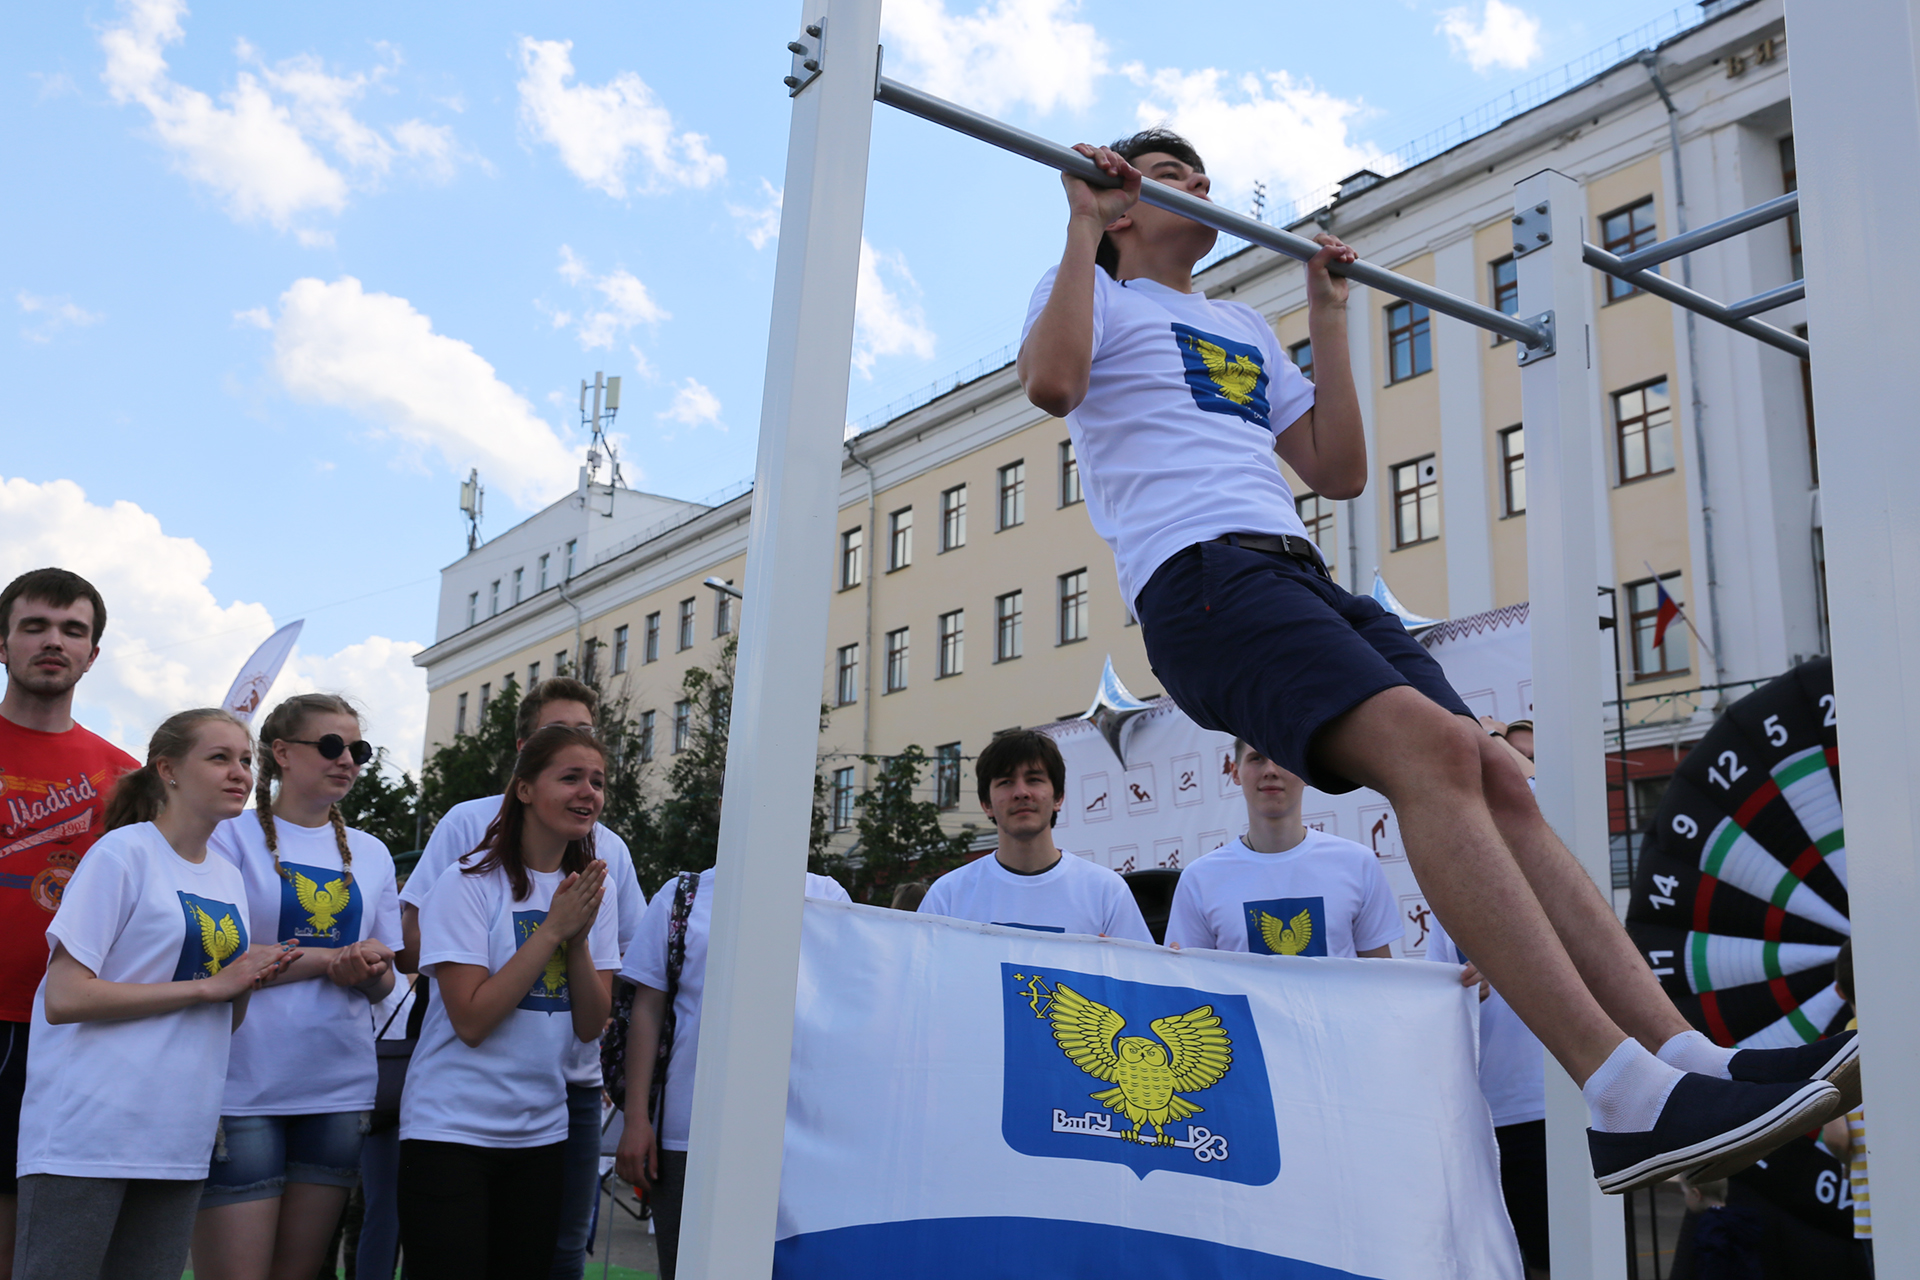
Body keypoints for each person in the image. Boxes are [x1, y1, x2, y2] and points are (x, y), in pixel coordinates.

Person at [1017, 128, 1851, 1192]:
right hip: (1200, 580)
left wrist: (1327, 315)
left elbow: (1340, 467)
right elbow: (1051, 385)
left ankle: (1688, 1057)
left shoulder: (1236, 322)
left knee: (1495, 764)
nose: (1207, 192)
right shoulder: (1094, 292)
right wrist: (1081, 223)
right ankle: (1617, 1091)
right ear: (1124, 204)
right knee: (1434, 759)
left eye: (1208, 177)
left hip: (1300, 570)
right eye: (1177, 179)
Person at [11, 709, 286, 1280]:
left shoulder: (227, 876)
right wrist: (210, 985)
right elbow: (64, 998)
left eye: (246, 760)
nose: (240, 772)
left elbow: (221, 1018)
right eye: (219, 758)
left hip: (178, 1136)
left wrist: (248, 979)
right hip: (87, 1136)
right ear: (168, 770)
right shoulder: (122, 854)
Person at [396, 676, 643, 1280]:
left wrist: (578, 940)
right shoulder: (466, 881)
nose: (588, 793)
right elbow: (473, 1020)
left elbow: (590, 1024)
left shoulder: (594, 888)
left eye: (598, 782)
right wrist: (554, 932)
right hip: (452, 1128)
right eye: (570, 778)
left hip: (542, 1133)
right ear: (525, 788)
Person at [189, 694, 402, 1280]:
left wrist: (371, 970)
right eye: (331, 746)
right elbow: (222, 955)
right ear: (280, 753)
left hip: (337, 1088)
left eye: (358, 750)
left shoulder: (374, 853)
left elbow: (386, 984)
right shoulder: (228, 837)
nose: (347, 761)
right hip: (241, 1083)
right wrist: (336, 958)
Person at [613, 861, 850, 1280]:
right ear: (727, 799)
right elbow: (645, 1011)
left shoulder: (826, 897)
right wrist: (636, 1119)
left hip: (794, 1135)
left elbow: (845, 1008)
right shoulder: (682, 896)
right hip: (688, 1133)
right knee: (689, 1268)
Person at [0, 568, 140, 1276]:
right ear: (3, 644)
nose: (53, 642)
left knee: (34, 1234)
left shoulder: (127, 778)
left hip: (66, 1032)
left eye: (72, 630)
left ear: (93, 653)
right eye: (35, 626)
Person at [1164, 738, 1401, 958]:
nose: (1270, 770)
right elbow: (1190, 987)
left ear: (1305, 772)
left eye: (1282, 757)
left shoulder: (1357, 864)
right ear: (1235, 773)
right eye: (1256, 758)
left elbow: (1381, 980)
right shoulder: (1200, 879)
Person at [916, 730, 1153, 941]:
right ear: (986, 803)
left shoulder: (1106, 891)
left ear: (1058, 797)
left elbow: (1141, 980)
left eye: (1034, 780)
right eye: (1006, 782)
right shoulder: (947, 895)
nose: (1021, 792)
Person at [1426, 916, 1549, 1278]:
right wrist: (1459, 991)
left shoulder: (1552, 888)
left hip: (1545, 1109)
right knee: (1481, 1263)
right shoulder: (1445, 906)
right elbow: (1436, 1002)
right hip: (1475, 1117)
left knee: (1553, 1256)